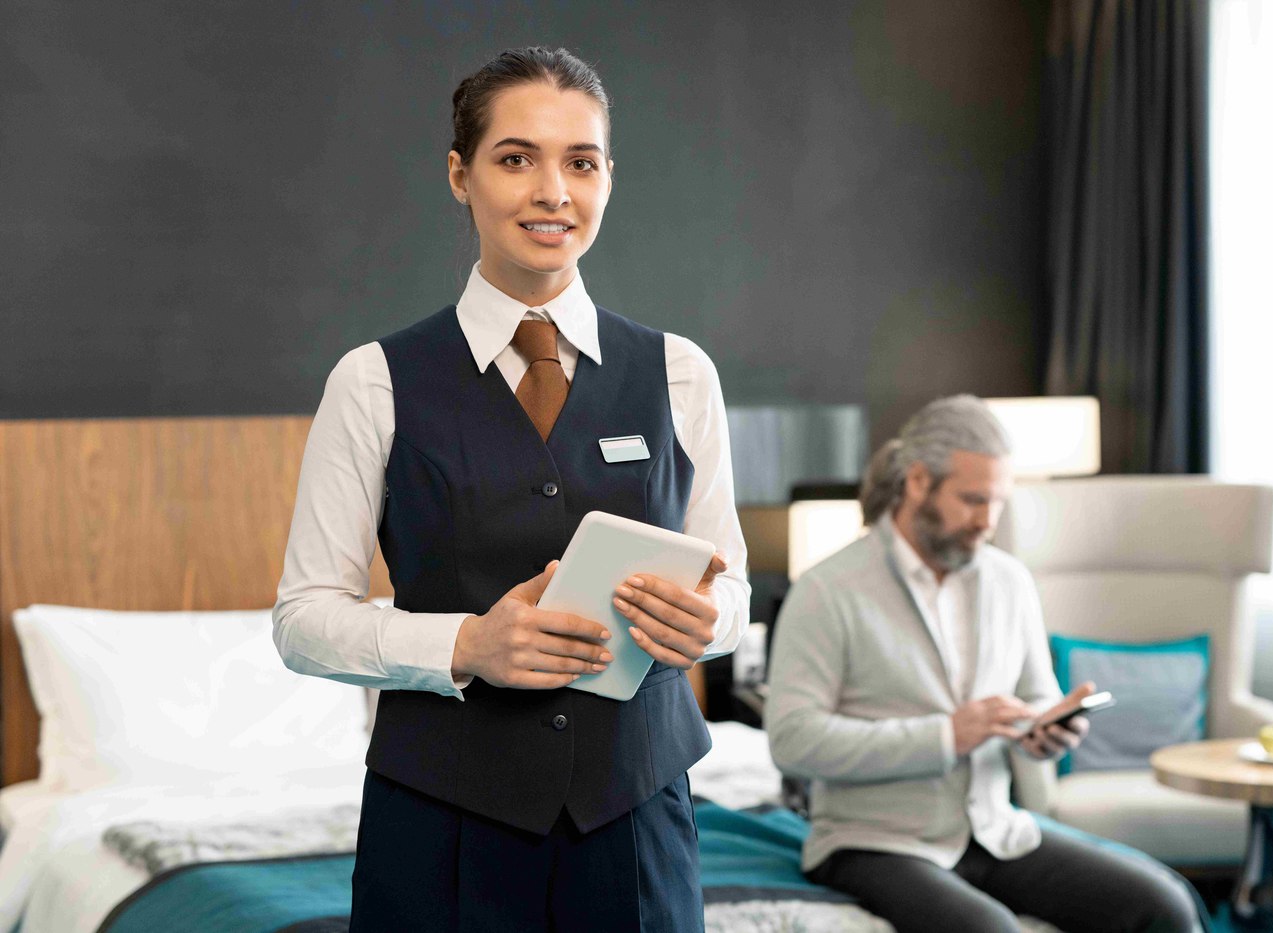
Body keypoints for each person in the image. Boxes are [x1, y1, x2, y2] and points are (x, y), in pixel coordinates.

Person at [272, 47, 749, 932]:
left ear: (608, 179)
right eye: (516, 157)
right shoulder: (374, 381)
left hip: (637, 821)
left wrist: (707, 626)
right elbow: (302, 620)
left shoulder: (682, 373)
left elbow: (735, 597)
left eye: (581, 162)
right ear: (461, 175)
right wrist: (467, 645)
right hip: (441, 830)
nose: (553, 192)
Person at [764, 395, 1197, 933]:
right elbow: (792, 741)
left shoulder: (1009, 580)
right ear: (919, 481)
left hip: (996, 831)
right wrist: (945, 735)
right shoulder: (826, 590)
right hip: (872, 841)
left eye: (997, 503)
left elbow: (1036, 694)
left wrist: (1043, 729)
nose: (987, 522)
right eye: (972, 501)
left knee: (1165, 905)